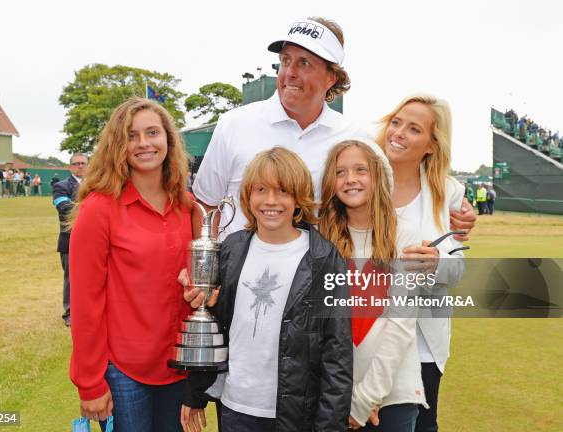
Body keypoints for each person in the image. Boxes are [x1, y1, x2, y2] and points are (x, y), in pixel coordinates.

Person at [181, 147, 352, 432]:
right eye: (261, 189)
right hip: (235, 407)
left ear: (299, 200)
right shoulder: (232, 249)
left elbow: (337, 352)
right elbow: (217, 325)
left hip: (296, 415)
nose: (271, 201)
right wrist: (195, 392)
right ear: (248, 196)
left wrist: (330, 425)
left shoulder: (324, 258)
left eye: (283, 191)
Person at [69, 97, 194, 432]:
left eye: (152, 132)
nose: (143, 143)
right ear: (117, 146)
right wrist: (90, 382)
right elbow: (85, 303)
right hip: (123, 371)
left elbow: (199, 284)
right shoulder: (99, 209)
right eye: (131, 136)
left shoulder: (188, 206)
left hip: (180, 365)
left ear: (167, 138)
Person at [191, 17, 364, 238]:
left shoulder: (355, 136)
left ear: (332, 77)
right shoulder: (234, 124)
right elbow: (207, 204)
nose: (290, 72)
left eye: (304, 63)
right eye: (285, 61)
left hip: (318, 271)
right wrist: (208, 271)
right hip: (238, 271)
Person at [319, 139, 428, 431]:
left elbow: (402, 324)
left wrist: (366, 398)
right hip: (333, 392)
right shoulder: (320, 236)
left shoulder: (404, 234)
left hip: (393, 395)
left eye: (360, 170)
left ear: (378, 176)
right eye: (340, 172)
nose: (350, 179)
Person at [375, 93, 466, 432]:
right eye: (396, 123)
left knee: (423, 425)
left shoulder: (449, 193)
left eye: (414, 129)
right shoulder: (361, 180)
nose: (398, 133)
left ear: (431, 144)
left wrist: (435, 264)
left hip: (424, 344)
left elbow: (457, 268)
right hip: (366, 336)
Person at [53, 153, 88, 327]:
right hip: (70, 240)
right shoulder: (61, 186)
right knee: (71, 278)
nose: (80, 166)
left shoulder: (96, 185)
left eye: (83, 163)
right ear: (70, 166)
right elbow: (64, 209)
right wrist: (91, 210)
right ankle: (69, 313)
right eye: (76, 163)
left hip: (93, 240)